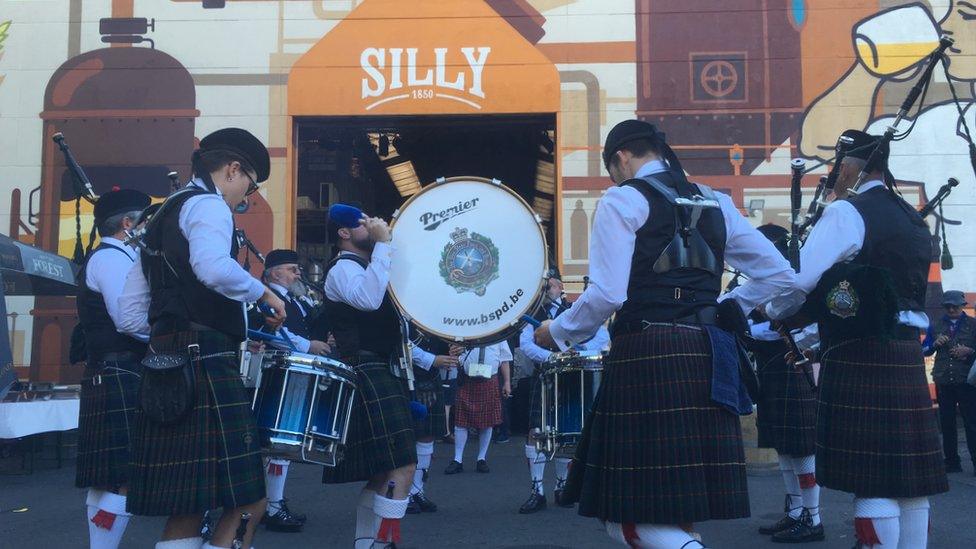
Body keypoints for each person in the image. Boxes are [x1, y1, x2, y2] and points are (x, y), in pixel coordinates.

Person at [534, 119, 796, 548]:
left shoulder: (623, 199)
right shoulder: (716, 202)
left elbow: (607, 294)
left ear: (621, 157)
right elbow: (781, 276)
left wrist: (557, 331)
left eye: (611, 169)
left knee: (629, 519)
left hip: (648, 351)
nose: (613, 179)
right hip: (711, 351)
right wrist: (734, 304)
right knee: (680, 510)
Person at [767, 130, 948, 548]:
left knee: (873, 481)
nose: (835, 175)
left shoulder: (846, 213)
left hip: (858, 351)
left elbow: (802, 280)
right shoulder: (912, 218)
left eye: (837, 166)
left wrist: (773, 311)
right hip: (903, 351)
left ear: (850, 166)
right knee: (909, 483)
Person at [118, 128, 286, 549]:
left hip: (164, 361)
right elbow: (211, 268)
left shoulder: (159, 216)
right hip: (206, 359)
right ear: (233, 170)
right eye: (250, 182)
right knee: (250, 498)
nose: (247, 193)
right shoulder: (209, 205)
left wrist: (170, 338)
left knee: (187, 502)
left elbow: (130, 313)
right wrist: (262, 291)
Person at [321, 203, 417, 549]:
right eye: (363, 224)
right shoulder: (343, 269)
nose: (372, 226)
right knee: (403, 464)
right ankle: (383, 545)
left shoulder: (365, 265)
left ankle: (366, 543)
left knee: (382, 470)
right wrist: (384, 245)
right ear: (344, 233)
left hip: (378, 368)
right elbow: (368, 299)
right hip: (366, 369)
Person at [74, 188, 151, 549]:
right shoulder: (113, 259)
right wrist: (171, 334)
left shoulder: (113, 257)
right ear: (127, 224)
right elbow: (129, 321)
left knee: (108, 476)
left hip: (112, 371)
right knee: (121, 475)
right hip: (119, 370)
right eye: (145, 221)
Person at [748, 224, 823, 543]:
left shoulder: (798, 279)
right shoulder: (762, 280)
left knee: (801, 446)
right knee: (783, 444)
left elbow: (814, 324)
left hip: (793, 364)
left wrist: (774, 329)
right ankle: (795, 511)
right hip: (770, 367)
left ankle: (813, 517)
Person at [518, 268, 609, 514]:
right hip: (547, 375)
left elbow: (602, 336)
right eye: (544, 286)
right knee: (537, 431)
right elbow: (525, 344)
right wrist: (553, 357)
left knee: (566, 432)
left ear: (560, 286)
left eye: (551, 285)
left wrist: (577, 354)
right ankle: (537, 490)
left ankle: (562, 487)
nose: (547, 290)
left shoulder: (575, 311)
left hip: (572, 378)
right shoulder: (534, 313)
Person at [257, 248, 333, 532]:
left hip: (295, 370)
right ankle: (271, 507)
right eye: (292, 269)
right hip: (276, 370)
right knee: (278, 442)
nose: (298, 273)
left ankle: (271, 503)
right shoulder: (262, 295)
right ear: (274, 272)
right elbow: (273, 330)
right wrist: (308, 346)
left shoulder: (296, 301)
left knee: (282, 444)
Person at [923, 290, 976, 475]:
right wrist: (935, 344)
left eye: (955, 306)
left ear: (962, 306)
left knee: (971, 422)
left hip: (967, 380)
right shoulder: (936, 324)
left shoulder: (973, 324)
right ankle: (952, 462)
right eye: (948, 306)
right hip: (944, 379)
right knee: (947, 423)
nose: (952, 309)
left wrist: (970, 351)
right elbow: (925, 350)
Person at [443, 340, 512, 475]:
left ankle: (481, 458)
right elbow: (453, 351)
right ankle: (457, 459)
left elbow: (504, 360)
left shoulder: (499, 334)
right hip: (467, 378)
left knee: (488, 422)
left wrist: (507, 382)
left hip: (490, 379)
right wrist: (456, 352)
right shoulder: (467, 329)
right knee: (461, 422)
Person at [408, 334, 459, 513]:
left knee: (427, 435)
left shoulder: (433, 310)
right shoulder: (400, 308)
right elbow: (401, 340)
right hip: (407, 375)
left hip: (431, 376)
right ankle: (403, 493)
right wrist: (432, 359)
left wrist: (454, 349)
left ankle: (417, 490)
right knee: (408, 436)